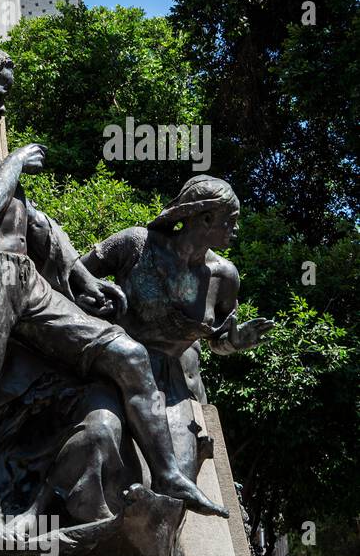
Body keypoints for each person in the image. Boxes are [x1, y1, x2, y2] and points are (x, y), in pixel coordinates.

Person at [0, 47, 227, 542]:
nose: (2, 107)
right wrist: (14, 161)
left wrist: (81, 276)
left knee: (128, 353)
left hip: (23, 275)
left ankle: (168, 474)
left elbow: (33, 223)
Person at [80, 176, 273, 480]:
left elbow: (217, 340)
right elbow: (71, 277)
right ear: (205, 217)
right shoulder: (136, 244)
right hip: (115, 371)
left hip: (173, 387)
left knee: (177, 479)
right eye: (230, 220)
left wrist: (235, 341)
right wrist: (96, 299)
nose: (236, 229)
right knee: (99, 441)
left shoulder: (225, 277)